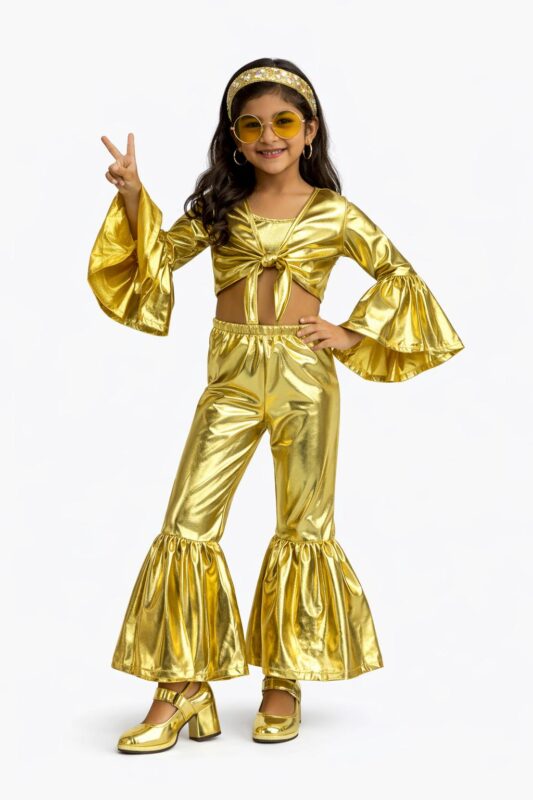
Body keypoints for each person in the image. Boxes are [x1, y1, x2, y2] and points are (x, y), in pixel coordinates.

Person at [87, 57, 464, 753]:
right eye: (252, 125)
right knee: (187, 523)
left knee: (303, 523)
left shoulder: (334, 213)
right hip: (231, 375)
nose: (268, 136)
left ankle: (284, 680)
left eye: (283, 122)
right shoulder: (219, 209)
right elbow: (156, 258)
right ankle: (180, 686)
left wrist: (350, 334)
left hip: (303, 377)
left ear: (309, 131)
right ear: (234, 137)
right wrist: (135, 195)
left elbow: (398, 275)